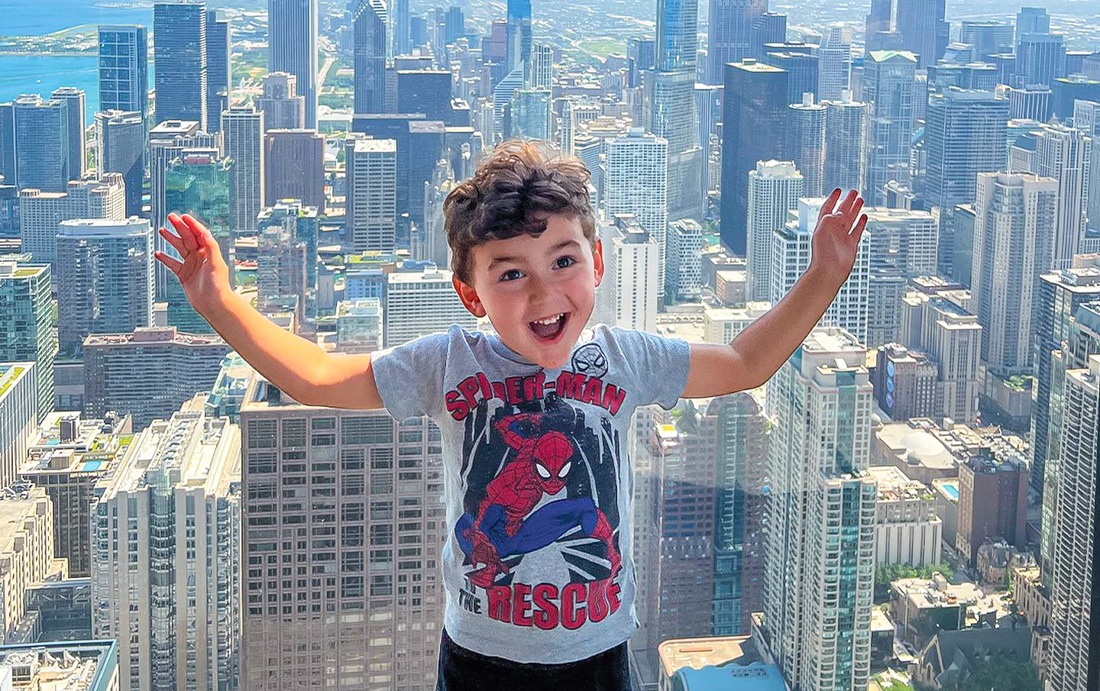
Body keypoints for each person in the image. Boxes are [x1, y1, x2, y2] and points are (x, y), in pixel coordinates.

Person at [156, 139, 867, 691]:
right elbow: (317, 376)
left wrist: (824, 273)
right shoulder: (448, 362)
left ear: (596, 260)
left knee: (584, 519)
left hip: (597, 652)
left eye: (562, 260)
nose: (544, 292)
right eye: (511, 273)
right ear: (472, 294)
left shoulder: (626, 359)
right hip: (480, 657)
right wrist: (220, 301)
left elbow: (745, 364)